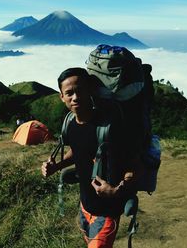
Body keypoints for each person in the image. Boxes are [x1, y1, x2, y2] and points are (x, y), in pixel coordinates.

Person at [41, 67, 138, 248]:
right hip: (84, 208)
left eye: (80, 90)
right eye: (69, 93)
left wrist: (118, 190)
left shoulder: (109, 127)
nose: (75, 97)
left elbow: (132, 165)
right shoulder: (70, 123)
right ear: (62, 97)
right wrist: (57, 165)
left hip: (107, 212)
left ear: (90, 90)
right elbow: (78, 151)